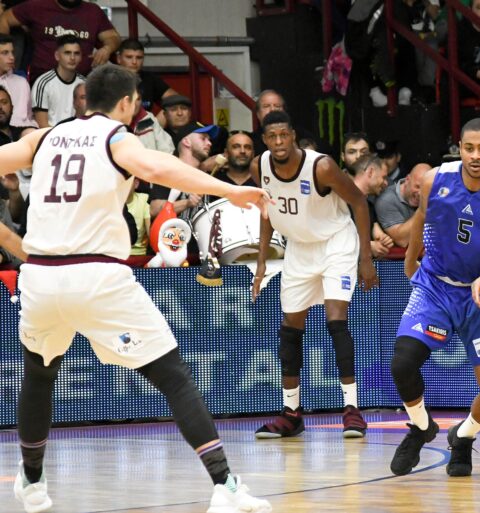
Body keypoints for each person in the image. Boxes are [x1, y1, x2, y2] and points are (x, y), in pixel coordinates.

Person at [1, 63, 271, 513]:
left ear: (86, 98)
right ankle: (225, 485)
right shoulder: (117, 138)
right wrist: (230, 191)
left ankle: (31, 481)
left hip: (41, 276)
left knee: (39, 374)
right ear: (127, 103)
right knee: (173, 377)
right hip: (95, 276)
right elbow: (159, 166)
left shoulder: (45, 137)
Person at [389, 117, 480, 477]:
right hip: (435, 287)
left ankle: (464, 435)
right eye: (469, 148)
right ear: (459, 148)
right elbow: (422, 218)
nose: (475, 156)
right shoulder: (434, 180)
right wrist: (410, 259)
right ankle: (421, 427)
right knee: (402, 363)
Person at [251, 110, 379, 439]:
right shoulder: (259, 167)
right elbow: (267, 212)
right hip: (298, 248)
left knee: (336, 320)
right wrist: (262, 262)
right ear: (264, 140)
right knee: (290, 328)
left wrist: (366, 257)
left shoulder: (320, 166)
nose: (279, 142)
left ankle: (351, 410)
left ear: (293, 135)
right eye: (272, 137)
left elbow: (359, 202)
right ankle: (291, 414)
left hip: (336, 242)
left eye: (284, 135)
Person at [0, 0, 120, 81]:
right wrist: (4, 51)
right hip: (41, 81)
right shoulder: (37, 6)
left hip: (80, 83)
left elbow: (113, 37)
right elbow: (5, 18)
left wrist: (107, 49)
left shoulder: (93, 11)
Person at [31, 35, 85, 128]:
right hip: (50, 134)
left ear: (81, 57)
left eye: (76, 53)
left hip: (78, 134)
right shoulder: (43, 83)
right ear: (57, 56)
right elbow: (42, 125)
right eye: (67, 53)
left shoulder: (85, 84)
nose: (72, 58)